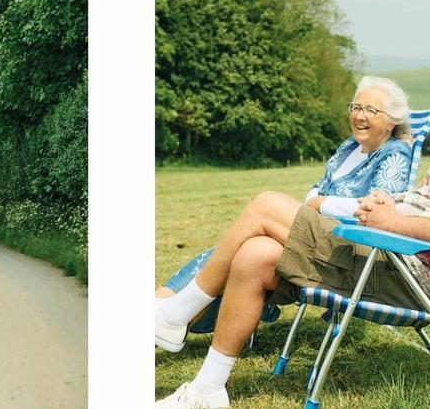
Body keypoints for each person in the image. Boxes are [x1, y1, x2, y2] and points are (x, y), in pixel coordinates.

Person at [155, 43, 430, 409]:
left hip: (402, 272)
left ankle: (176, 314)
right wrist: (386, 205)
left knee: (266, 203)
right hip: (381, 250)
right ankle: (208, 388)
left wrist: (393, 222)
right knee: (255, 254)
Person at [155, 76, 414, 345]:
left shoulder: (393, 155)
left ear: (391, 122)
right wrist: (317, 200)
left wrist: (322, 204)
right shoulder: (350, 146)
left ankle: (170, 314)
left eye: (371, 110)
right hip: (317, 232)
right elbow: (316, 188)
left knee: (261, 209)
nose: (360, 116)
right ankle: (163, 314)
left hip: (345, 247)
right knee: (249, 248)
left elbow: (377, 211)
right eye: (356, 107)